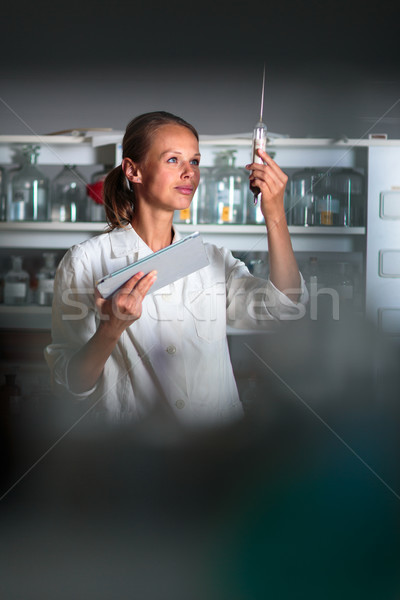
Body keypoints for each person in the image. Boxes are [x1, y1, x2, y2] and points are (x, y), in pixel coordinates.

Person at [44, 111, 308, 428]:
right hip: (136, 455)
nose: (189, 173)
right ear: (132, 170)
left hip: (216, 453)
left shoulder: (212, 259)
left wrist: (276, 214)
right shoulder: (85, 261)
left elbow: (284, 309)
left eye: (194, 162)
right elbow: (71, 386)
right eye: (173, 160)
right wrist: (111, 328)